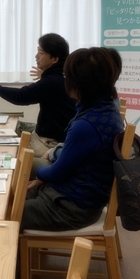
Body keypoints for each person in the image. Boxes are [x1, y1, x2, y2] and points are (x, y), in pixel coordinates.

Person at [21, 47, 124, 231]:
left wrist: (41, 175)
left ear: (81, 84)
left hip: (70, 208)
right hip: (78, 198)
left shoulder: (86, 125)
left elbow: (56, 173)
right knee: (16, 197)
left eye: (67, 77)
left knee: (5, 212)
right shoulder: (106, 110)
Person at [0, 33, 76, 157]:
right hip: (57, 134)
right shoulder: (65, 76)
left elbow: (21, 96)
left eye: (41, 53)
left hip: (50, 141)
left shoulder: (51, 82)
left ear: (54, 59)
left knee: (10, 153)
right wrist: (45, 75)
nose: (36, 56)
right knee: (16, 126)